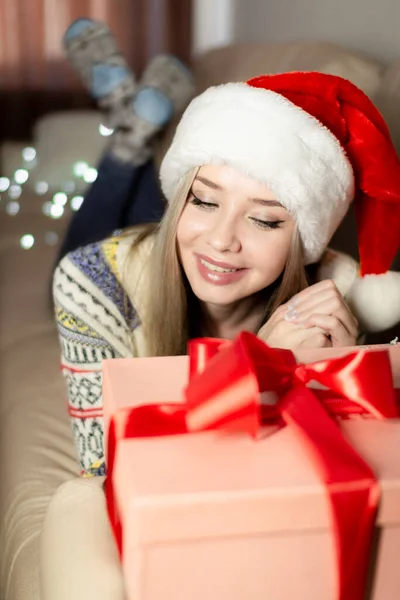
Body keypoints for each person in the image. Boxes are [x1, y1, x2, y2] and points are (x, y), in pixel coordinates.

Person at [53, 71, 400, 476]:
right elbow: (104, 472)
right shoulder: (92, 282)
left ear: (303, 240)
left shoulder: (335, 298)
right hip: (121, 256)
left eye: (264, 220)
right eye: (202, 200)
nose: (221, 240)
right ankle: (128, 141)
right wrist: (253, 365)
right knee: (88, 229)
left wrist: (323, 377)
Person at [57, 18, 195, 260]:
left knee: (74, 275)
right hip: (148, 274)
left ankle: (128, 127)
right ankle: (131, 135)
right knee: (141, 244)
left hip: (102, 289)